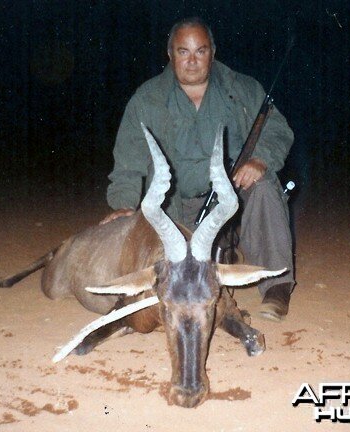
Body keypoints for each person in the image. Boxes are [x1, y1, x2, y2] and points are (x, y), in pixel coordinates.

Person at [100, 17, 295, 321]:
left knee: (266, 187)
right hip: (174, 208)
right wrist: (123, 204)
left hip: (231, 201)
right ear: (170, 54)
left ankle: (277, 289)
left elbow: (278, 131)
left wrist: (261, 159)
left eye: (200, 51)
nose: (192, 61)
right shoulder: (146, 99)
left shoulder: (242, 89)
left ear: (212, 53)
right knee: (169, 276)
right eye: (183, 52)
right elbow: (128, 161)